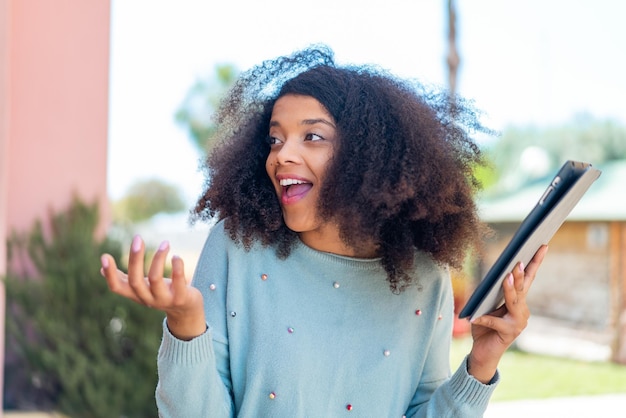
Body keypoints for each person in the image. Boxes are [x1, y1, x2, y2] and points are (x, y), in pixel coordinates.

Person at [100, 45, 548, 417]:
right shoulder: (237, 247)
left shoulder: (423, 277)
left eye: (311, 137)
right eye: (275, 139)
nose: (280, 156)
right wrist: (185, 326)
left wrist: (482, 363)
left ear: (368, 157)